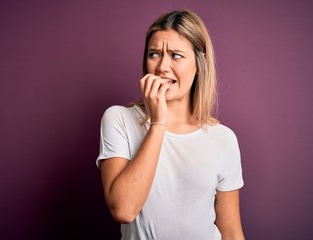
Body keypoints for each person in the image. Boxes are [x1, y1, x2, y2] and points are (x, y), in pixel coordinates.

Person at [96, 9, 245, 240]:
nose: (162, 67)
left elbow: (232, 231)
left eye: (176, 55)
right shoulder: (119, 120)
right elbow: (124, 210)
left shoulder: (223, 139)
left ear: (199, 63)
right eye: (154, 54)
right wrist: (158, 123)